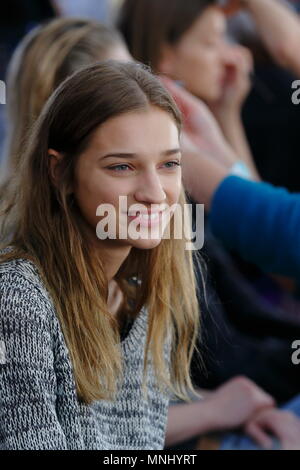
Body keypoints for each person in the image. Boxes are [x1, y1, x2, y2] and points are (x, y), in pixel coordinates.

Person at [0, 60, 201, 450]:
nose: (155, 193)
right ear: (60, 172)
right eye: (122, 166)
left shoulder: (144, 303)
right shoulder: (17, 299)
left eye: (168, 164)